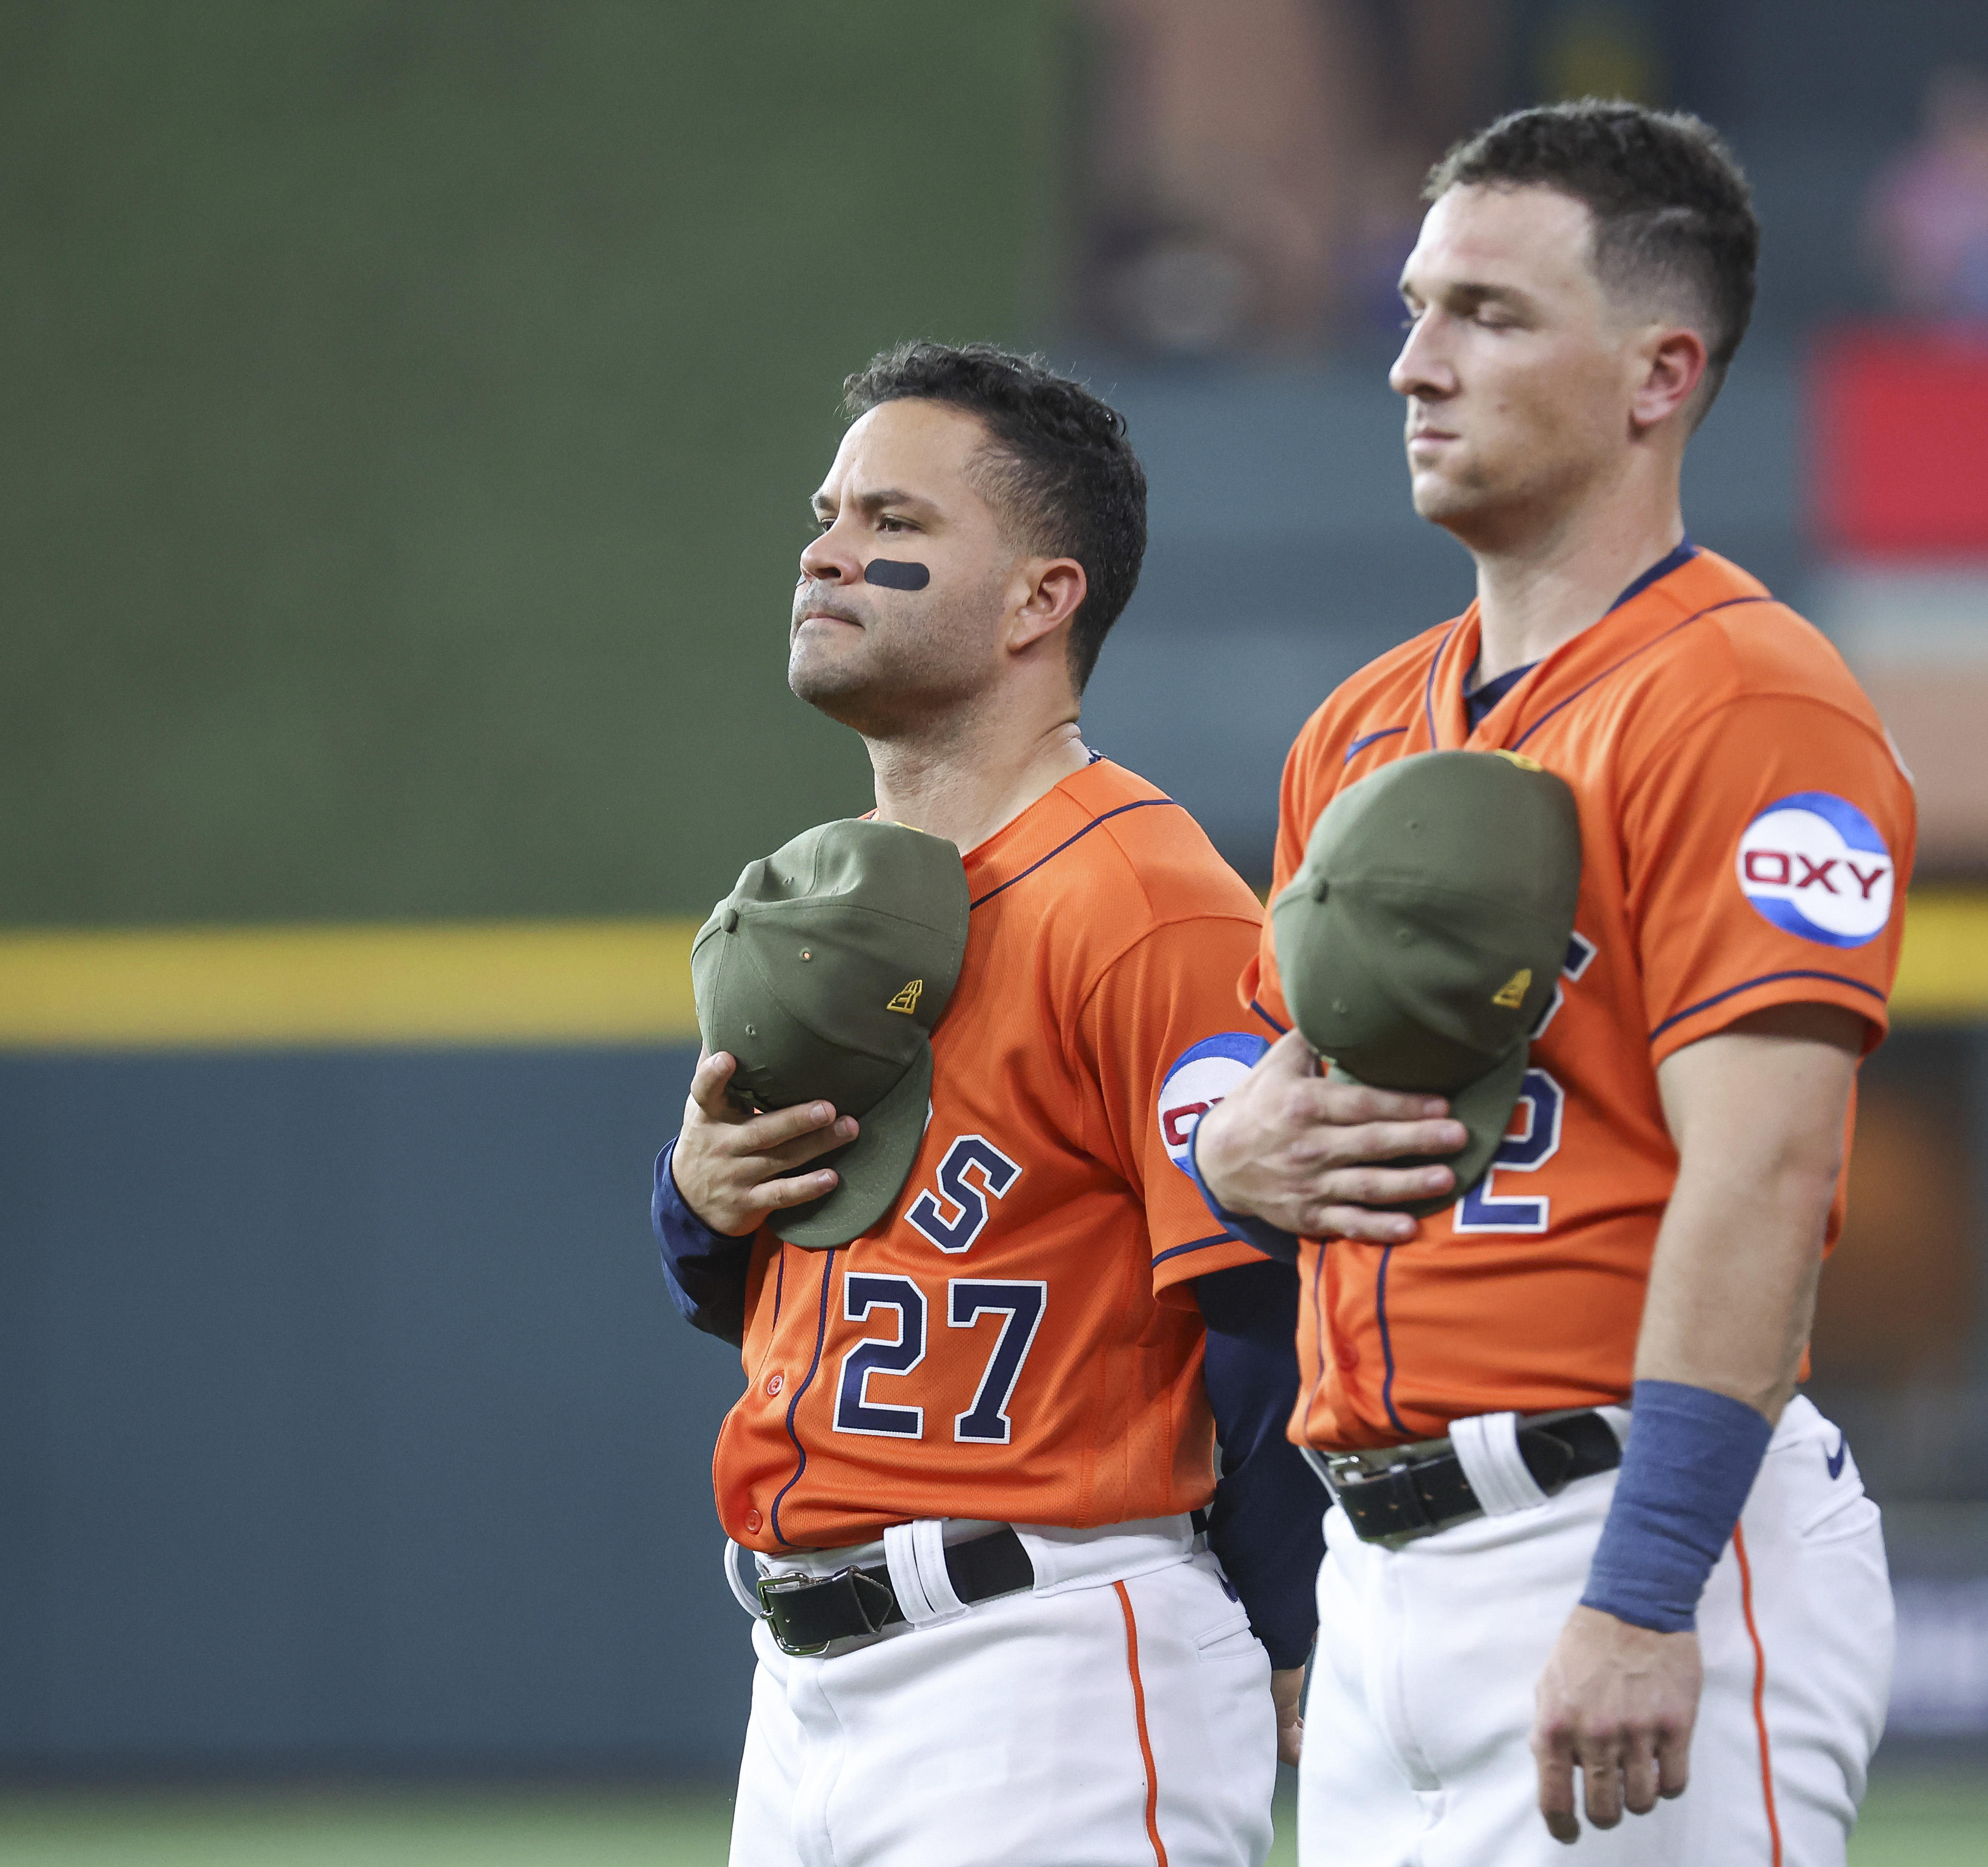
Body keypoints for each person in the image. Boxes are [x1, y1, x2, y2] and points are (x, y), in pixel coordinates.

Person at [1190, 103, 1915, 1864]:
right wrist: (1229, 1162)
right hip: (1381, 1565)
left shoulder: (1750, 700)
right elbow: (1299, 1158)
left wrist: (1647, 1590)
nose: (1412, 365)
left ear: (1659, 374)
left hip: (1626, 1530)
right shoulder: (1355, 731)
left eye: (1488, 316)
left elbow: (1763, 1172)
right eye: (1415, 307)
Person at [651, 342, 1326, 1867]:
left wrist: (1287, 1622)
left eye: (894, 523)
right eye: (826, 514)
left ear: (1041, 599)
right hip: (804, 1673)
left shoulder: (1148, 903)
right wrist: (689, 1198)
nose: (827, 550)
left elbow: (1260, 1306)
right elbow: (745, 1284)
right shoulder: (831, 905)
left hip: (1050, 1665)